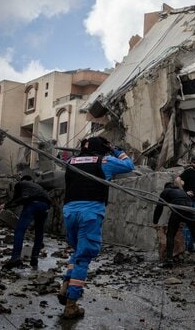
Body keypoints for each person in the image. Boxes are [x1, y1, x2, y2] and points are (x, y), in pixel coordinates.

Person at [58, 137, 135, 320]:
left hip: (69, 212)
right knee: (84, 257)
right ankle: (71, 305)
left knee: (77, 251)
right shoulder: (105, 161)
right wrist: (117, 150)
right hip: (90, 213)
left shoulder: (71, 162)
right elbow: (129, 165)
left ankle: (65, 287)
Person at [153, 177, 195, 268]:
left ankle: (169, 260)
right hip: (189, 208)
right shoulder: (181, 191)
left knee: (170, 234)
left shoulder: (166, 191)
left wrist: (155, 221)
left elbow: (159, 207)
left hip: (178, 208)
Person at [0, 175, 52, 269]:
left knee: (20, 229)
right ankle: (34, 259)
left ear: (22, 180)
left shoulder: (20, 184)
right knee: (39, 232)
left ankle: (15, 258)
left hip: (32, 204)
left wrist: (5, 205)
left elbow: (17, 200)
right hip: (45, 205)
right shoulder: (38, 186)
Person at [178, 156, 195, 254]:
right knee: (189, 224)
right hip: (190, 202)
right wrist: (185, 192)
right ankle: (185, 247)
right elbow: (177, 180)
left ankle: (191, 246)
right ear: (191, 163)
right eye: (194, 162)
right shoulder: (188, 172)